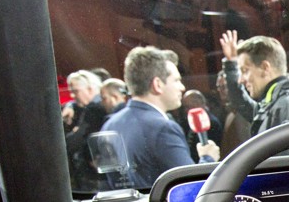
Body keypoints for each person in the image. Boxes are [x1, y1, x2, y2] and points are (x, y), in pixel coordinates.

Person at [102, 46, 219, 189]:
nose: (182, 87)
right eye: (176, 80)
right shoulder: (163, 128)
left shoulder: (110, 125)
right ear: (157, 85)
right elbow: (189, 188)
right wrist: (208, 158)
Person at [219, 27, 289, 155]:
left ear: (265, 67)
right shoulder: (275, 104)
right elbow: (240, 102)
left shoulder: (288, 106)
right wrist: (230, 64)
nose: (241, 80)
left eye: (245, 71)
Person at [64, 69, 108, 190]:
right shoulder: (97, 104)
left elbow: (75, 142)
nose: (72, 96)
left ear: (90, 88)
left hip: (97, 176)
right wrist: (70, 105)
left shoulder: (94, 109)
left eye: (76, 91)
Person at [215, 69, 251, 156]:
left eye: (224, 87)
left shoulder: (245, 114)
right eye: (219, 87)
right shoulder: (229, 114)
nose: (220, 91)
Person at [181, 89, 224, 162]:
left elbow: (211, 149)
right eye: (184, 107)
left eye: (188, 107)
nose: (186, 110)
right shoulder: (187, 122)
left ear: (199, 104)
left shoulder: (212, 123)